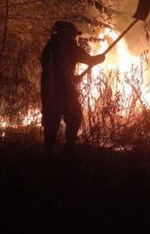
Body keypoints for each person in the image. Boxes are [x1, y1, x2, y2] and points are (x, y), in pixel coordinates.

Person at [40, 21, 105, 154]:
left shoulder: (49, 47)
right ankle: (68, 149)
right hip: (63, 90)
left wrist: (72, 77)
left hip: (49, 89)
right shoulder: (70, 47)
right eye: (72, 35)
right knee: (74, 116)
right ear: (67, 34)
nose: (74, 38)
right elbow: (89, 60)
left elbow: (50, 68)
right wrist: (99, 59)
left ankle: (49, 152)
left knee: (51, 121)